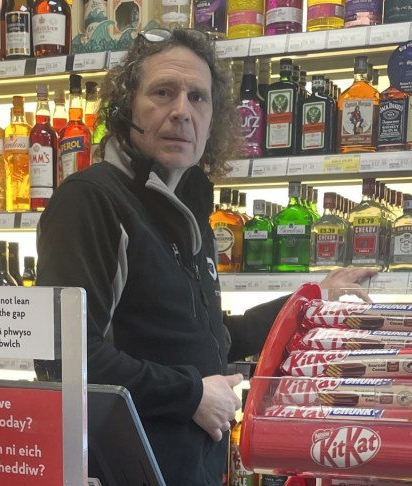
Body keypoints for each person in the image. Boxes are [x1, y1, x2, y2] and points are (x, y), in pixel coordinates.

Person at [36, 29, 377, 486]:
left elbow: (212, 340)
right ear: (125, 109)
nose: (181, 111)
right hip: (124, 471)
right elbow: (62, 359)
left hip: (188, 468)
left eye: (198, 98)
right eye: (162, 92)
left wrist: (313, 296)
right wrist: (191, 394)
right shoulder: (92, 200)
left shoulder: (188, 204)